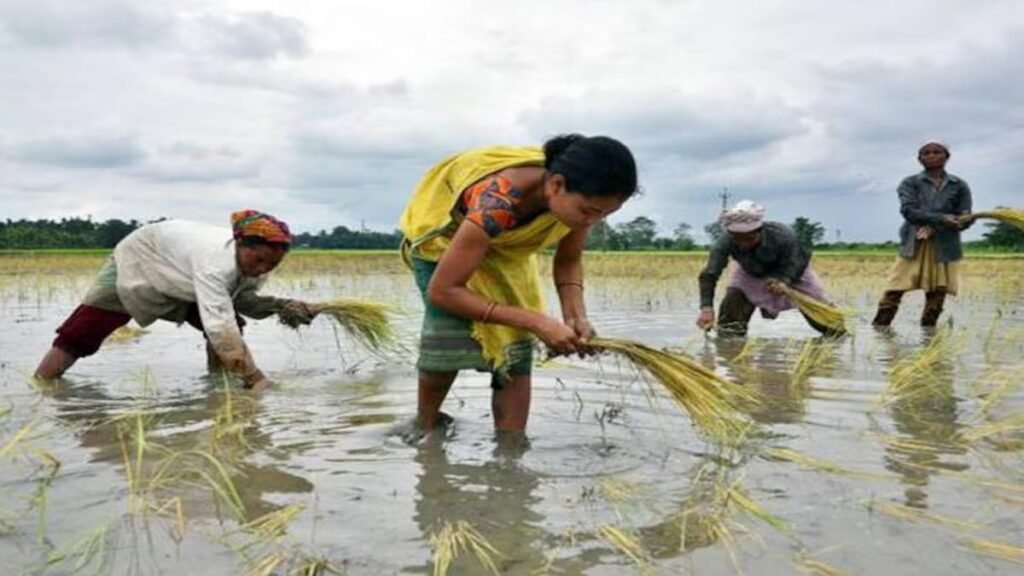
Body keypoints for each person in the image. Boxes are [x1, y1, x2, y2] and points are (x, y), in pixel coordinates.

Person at [398, 134, 638, 433]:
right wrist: (537, 321)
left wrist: (576, 317)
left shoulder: (578, 210)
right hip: (446, 247)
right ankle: (426, 428)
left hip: (507, 253)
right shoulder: (497, 199)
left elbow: (568, 262)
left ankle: (511, 452)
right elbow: (443, 291)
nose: (594, 221)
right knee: (446, 342)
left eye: (605, 214)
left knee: (515, 354)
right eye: (589, 211)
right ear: (555, 184)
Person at [34, 210, 319, 389]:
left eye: (271, 264)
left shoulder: (253, 265)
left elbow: (241, 301)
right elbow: (220, 326)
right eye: (257, 260)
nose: (261, 269)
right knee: (83, 331)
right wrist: (256, 379)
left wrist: (282, 306)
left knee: (229, 325)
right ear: (240, 244)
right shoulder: (215, 263)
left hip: (184, 272)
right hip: (143, 256)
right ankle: (41, 386)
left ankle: (218, 387)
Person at [695, 200, 838, 337]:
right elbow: (709, 274)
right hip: (750, 272)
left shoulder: (783, 235)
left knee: (831, 325)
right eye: (737, 239)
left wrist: (784, 280)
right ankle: (729, 346)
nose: (743, 245)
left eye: (749, 239)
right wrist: (706, 309)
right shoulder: (723, 243)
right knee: (731, 316)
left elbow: (798, 260)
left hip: (791, 272)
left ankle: (835, 331)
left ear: (760, 231)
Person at [872, 141, 975, 328]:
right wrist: (941, 219)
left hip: (944, 244)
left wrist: (939, 226)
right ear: (919, 159)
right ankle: (880, 330)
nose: (932, 156)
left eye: (937, 152)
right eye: (926, 153)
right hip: (915, 241)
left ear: (947, 157)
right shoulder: (910, 183)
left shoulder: (959, 185)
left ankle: (928, 337)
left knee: (937, 293)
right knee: (894, 288)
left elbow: (965, 217)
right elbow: (909, 211)